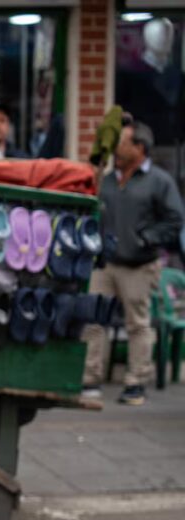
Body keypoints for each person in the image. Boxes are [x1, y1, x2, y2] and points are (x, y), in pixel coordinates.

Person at [82, 120, 185, 405]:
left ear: (139, 147)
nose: (117, 147)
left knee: (137, 324)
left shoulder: (159, 181)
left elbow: (175, 220)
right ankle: (90, 378)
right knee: (94, 318)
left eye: (123, 142)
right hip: (105, 263)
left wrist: (147, 238)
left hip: (139, 265)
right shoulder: (108, 178)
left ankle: (135, 382)